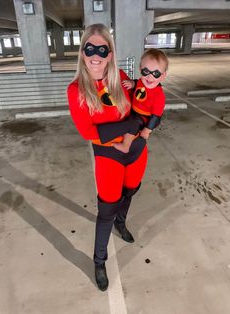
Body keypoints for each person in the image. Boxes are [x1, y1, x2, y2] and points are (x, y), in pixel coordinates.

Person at [67, 24, 147, 292]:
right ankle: (99, 260)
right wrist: (129, 125)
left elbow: (142, 112)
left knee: (131, 190)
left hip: (136, 149)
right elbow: (88, 133)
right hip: (108, 155)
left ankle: (121, 223)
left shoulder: (121, 78)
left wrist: (138, 124)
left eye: (102, 49)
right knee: (106, 210)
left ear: (110, 54)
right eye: (90, 48)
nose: (96, 54)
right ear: (82, 52)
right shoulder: (76, 89)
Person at [113, 48, 168, 153]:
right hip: (134, 111)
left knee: (133, 124)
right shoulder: (141, 81)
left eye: (155, 73)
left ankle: (126, 146)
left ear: (163, 76)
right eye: (146, 71)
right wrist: (132, 84)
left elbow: (156, 117)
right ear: (140, 69)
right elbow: (136, 83)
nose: (149, 77)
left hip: (145, 117)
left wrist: (147, 130)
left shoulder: (159, 95)